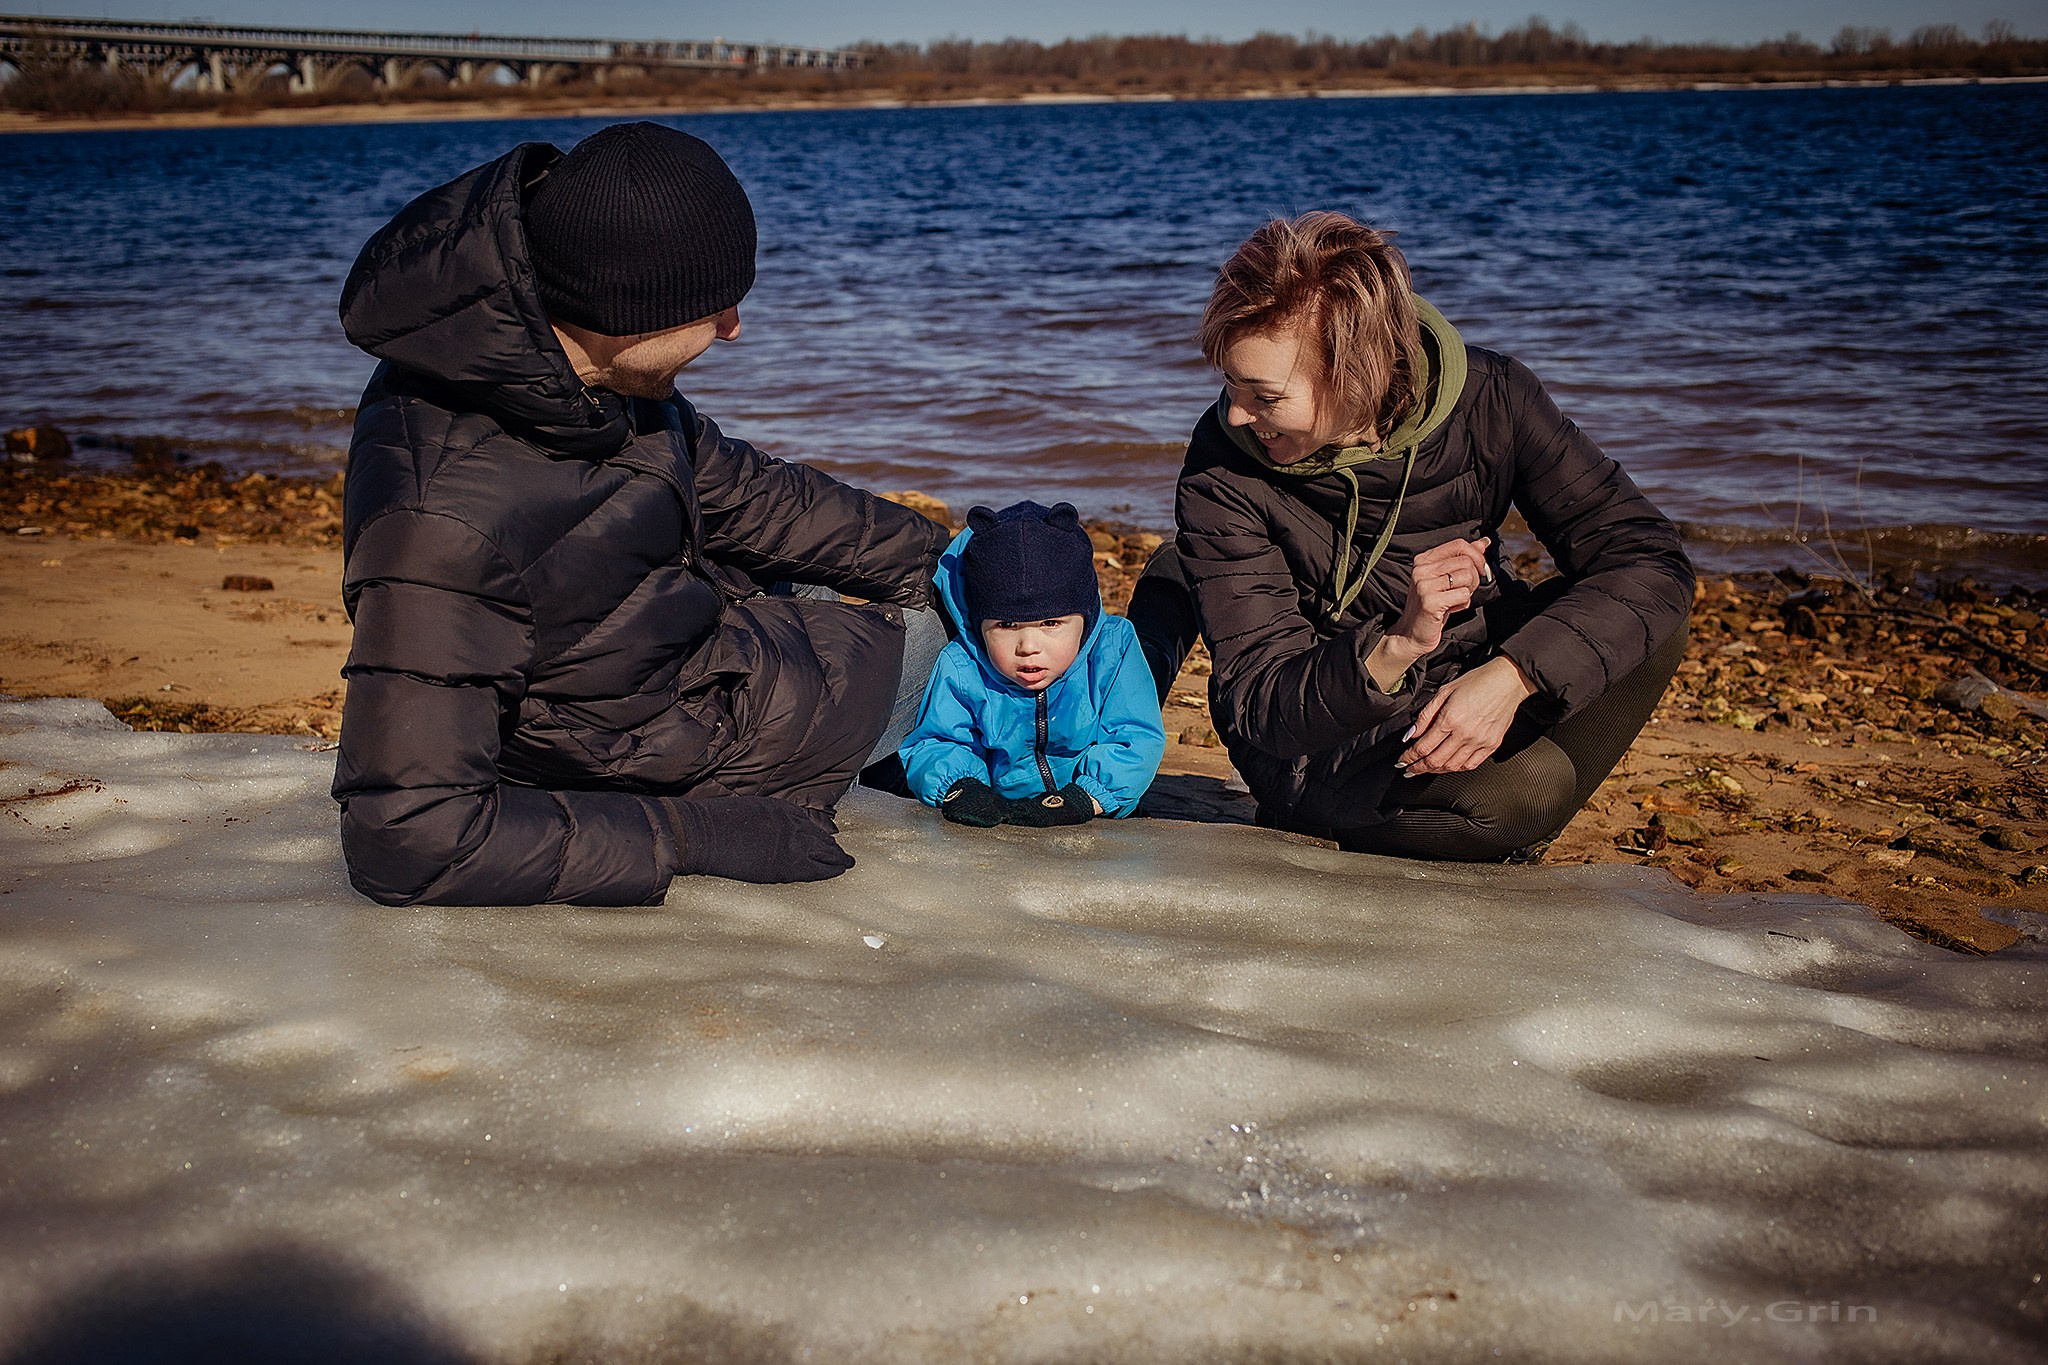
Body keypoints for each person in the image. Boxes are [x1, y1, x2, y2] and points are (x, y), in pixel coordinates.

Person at [331, 122, 948, 906]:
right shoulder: (442, 526)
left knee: (947, 593)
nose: (734, 325)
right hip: (649, 749)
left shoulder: (566, 372)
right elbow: (408, 837)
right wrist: (697, 836)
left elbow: (747, 493)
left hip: (679, 654)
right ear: (629, 306)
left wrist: (953, 556)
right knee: (951, 644)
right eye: (714, 304)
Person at [1127, 212, 1694, 861]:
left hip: (1471, 673)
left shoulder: (1493, 397)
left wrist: (1513, 675)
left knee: (1649, 617)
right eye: (1229, 380)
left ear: (1356, 370)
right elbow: (1261, 703)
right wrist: (1396, 646)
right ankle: (1497, 819)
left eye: (1265, 393)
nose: (1235, 411)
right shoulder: (1221, 467)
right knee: (1517, 801)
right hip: (1314, 745)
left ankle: (1494, 803)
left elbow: (1649, 557)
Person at [900, 501, 1166, 828]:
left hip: (1096, 807)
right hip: (1004, 809)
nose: (1028, 647)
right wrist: (961, 787)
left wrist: (1087, 797)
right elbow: (935, 743)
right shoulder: (961, 666)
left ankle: (1167, 578)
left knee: (1156, 657)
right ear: (979, 625)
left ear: (1084, 619)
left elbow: (1137, 736)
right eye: (1006, 626)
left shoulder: (1113, 649)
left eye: (1051, 624)